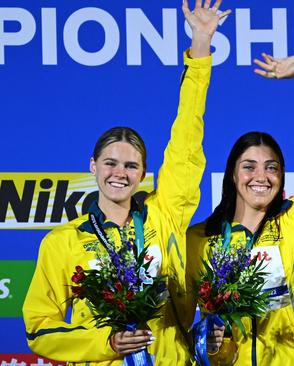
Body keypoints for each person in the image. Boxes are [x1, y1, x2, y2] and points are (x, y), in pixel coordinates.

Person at [22, 0, 228, 364]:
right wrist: (108, 343)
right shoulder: (62, 242)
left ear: (143, 173)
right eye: (111, 163)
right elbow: (39, 327)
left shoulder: (164, 214)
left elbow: (186, 142)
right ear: (93, 166)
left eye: (131, 166)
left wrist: (200, 49)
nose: (120, 173)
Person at [186, 52, 294, 365]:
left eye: (271, 167)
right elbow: (178, 329)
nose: (261, 177)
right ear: (232, 174)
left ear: (281, 176)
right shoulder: (199, 239)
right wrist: (208, 340)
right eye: (249, 167)